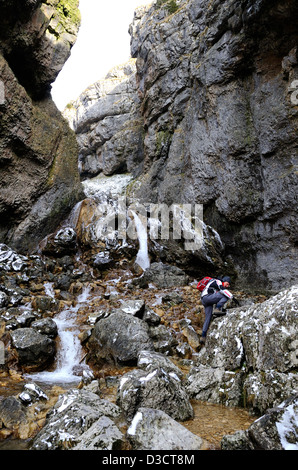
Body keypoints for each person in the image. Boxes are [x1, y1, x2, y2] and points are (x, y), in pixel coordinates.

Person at [199, 276, 232, 345]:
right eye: (227, 283)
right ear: (224, 281)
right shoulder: (218, 281)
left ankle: (203, 336)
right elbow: (223, 289)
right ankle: (217, 309)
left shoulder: (214, 284)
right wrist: (232, 297)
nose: (227, 286)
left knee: (208, 318)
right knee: (225, 295)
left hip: (204, 300)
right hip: (207, 297)